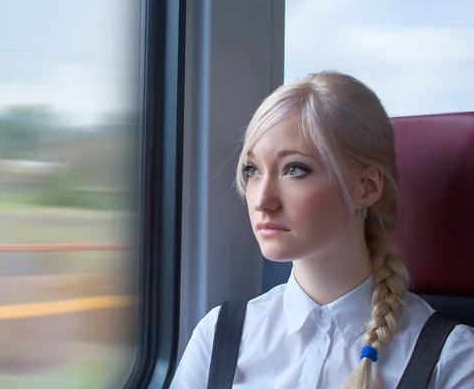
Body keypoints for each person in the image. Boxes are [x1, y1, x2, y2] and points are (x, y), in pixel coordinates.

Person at [170, 71, 474, 388]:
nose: (262, 200)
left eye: (295, 169)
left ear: (367, 187)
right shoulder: (216, 337)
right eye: (253, 170)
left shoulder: (452, 362)